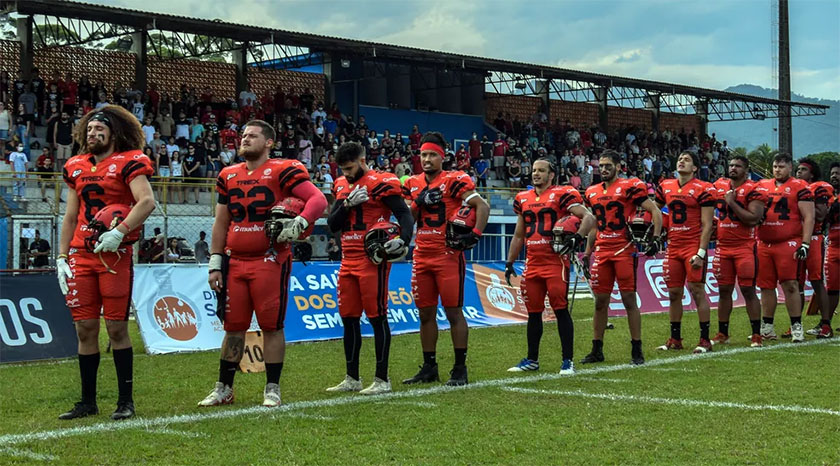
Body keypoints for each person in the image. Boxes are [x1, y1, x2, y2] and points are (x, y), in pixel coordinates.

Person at [199, 120, 327, 408]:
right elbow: (221, 222)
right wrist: (215, 261)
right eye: (243, 135)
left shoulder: (283, 169)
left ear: (269, 142)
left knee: (271, 326)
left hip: (269, 259)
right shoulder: (228, 174)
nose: (245, 139)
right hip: (236, 260)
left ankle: (272, 388)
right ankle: (224, 388)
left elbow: (318, 200)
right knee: (233, 327)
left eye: (253, 135)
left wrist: (301, 221)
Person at [55, 105, 155, 420]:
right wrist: (61, 256)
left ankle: (125, 401)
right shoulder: (75, 166)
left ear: (113, 134)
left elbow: (147, 201)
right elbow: (70, 214)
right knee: (85, 328)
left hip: (113, 254)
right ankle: (87, 401)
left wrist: (120, 232)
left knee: (115, 328)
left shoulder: (130, 161)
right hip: (81, 253)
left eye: (100, 130)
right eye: (90, 130)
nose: (94, 134)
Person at [324, 142, 414, 395]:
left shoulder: (381, 181)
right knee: (349, 318)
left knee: (377, 316)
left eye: (350, 168)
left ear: (362, 161)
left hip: (372, 258)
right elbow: (332, 224)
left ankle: (382, 379)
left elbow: (404, 214)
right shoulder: (341, 185)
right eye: (342, 169)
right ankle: (352, 377)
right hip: (347, 259)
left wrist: (404, 240)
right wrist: (347, 205)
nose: (346, 174)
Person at [401, 132, 490, 386]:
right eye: (423, 155)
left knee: (453, 312)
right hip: (421, 254)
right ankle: (429, 367)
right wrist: (419, 201)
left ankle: (460, 368)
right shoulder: (412, 183)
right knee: (425, 314)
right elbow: (406, 217)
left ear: (442, 157)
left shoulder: (454, 179)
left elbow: (482, 206)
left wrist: (474, 235)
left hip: (447, 254)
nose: (427, 159)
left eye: (432, 155)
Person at [504, 159, 595, 373]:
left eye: (541, 171)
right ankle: (532, 360)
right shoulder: (523, 198)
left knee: (560, 309)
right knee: (533, 313)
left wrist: (578, 237)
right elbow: (518, 234)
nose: (536, 174)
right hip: (532, 262)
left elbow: (588, 217)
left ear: (551, 174)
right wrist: (509, 262)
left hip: (555, 262)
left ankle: (567, 361)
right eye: (534, 170)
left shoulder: (561, 194)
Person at [580, 150, 661, 365]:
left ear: (618, 166)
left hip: (624, 250)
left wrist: (654, 239)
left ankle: (637, 348)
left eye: (608, 165)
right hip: (602, 251)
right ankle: (597, 349)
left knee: (628, 300)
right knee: (600, 302)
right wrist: (588, 253)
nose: (604, 169)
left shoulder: (628, 186)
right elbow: (595, 225)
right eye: (601, 166)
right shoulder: (592, 191)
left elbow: (655, 211)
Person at [654, 150, 716, 353]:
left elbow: (707, 224)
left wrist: (701, 252)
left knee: (697, 291)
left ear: (695, 168)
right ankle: (675, 338)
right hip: (673, 246)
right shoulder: (666, 185)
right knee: (673, 293)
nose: (681, 161)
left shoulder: (703, 188)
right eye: (680, 158)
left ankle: (705, 339)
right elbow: (655, 210)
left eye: (687, 160)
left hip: (692, 245)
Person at [754, 153, 814, 342]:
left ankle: (796, 326)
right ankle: (767, 326)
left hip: (788, 242)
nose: (777, 169)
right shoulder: (762, 185)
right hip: (764, 242)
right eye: (775, 166)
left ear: (790, 167)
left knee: (790, 284)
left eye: (781, 166)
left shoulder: (800, 187)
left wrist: (805, 243)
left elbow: (809, 217)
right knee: (766, 286)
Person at [711, 156, 767, 347]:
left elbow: (753, 218)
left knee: (748, 290)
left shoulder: (754, 188)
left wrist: (732, 203)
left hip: (744, 246)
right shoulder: (719, 185)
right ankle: (722, 332)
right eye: (731, 165)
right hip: (723, 246)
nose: (733, 168)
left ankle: (756, 334)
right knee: (723, 290)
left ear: (746, 169)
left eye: (738, 166)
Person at [795, 158, 834, 339]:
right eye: (797, 169)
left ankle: (826, 324)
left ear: (812, 173)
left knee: (817, 281)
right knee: (796, 283)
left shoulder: (819, 187)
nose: (798, 172)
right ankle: (796, 324)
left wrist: (803, 203)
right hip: (795, 238)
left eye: (803, 170)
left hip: (814, 237)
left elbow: (820, 214)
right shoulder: (794, 187)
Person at [824, 163, 840, 332]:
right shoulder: (827, 197)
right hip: (834, 247)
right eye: (832, 173)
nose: (834, 176)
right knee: (832, 287)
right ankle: (825, 323)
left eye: (837, 173)